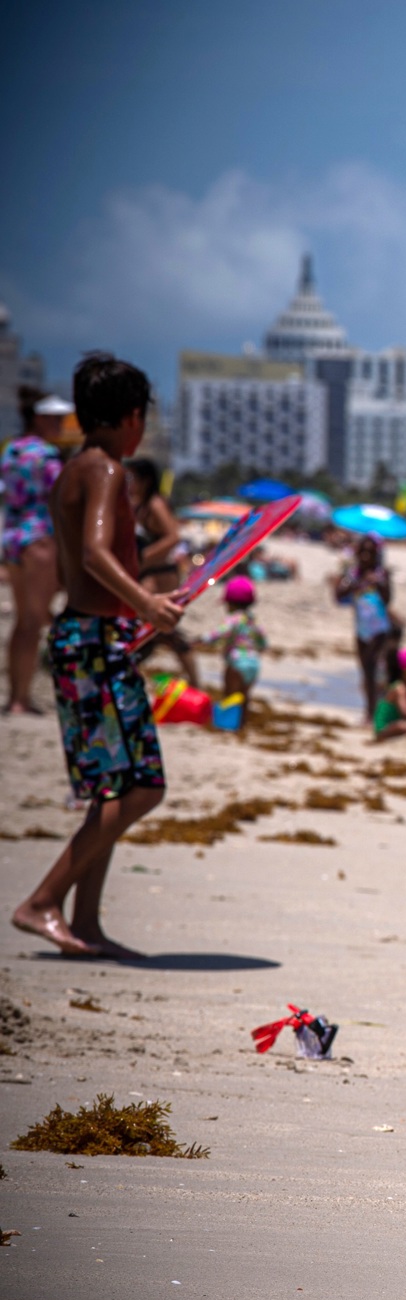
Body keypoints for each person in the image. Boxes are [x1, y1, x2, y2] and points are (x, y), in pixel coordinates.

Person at [10, 354, 182, 959]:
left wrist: (146, 600)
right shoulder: (106, 470)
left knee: (117, 788)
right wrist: (148, 604)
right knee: (140, 788)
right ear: (133, 417)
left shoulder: (74, 468)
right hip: (93, 642)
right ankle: (41, 902)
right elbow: (92, 555)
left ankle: (84, 920)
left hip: (89, 637)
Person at [3, 390, 72, 713]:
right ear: (40, 418)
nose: (61, 424)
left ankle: (16, 693)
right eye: (56, 419)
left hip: (12, 536)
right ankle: (20, 699)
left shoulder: (12, 450)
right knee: (33, 622)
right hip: (40, 537)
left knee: (22, 621)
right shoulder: (46, 455)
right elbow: (61, 500)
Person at [124, 457, 202, 689]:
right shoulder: (137, 504)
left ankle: (196, 684)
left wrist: (144, 557)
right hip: (148, 572)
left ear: (145, 480)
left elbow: (173, 537)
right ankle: (195, 683)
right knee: (155, 628)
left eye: (132, 478)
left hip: (159, 574)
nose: (128, 483)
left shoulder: (155, 504)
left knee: (156, 624)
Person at [335, 537, 396, 723]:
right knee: (366, 671)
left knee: (376, 670)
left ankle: (377, 712)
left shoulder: (381, 574)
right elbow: (339, 595)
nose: (366, 556)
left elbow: (388, 600)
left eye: (370, 552)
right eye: (362, 552)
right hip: (361, 629)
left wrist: (378, 583)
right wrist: (356, 582)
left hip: (379, 629)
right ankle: (370, 712)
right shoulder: (353, 574)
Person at [198, 576, 267, 701]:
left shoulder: (234, 619)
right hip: (253, 663)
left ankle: (228, 720)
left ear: (230, 603)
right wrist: (261, 647)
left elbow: (221, 632)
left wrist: (204, 639)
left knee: (230, 697)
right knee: (244, 698)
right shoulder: (253, 620)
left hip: (236, 663)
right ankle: (242, 720)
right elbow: (262, 639)